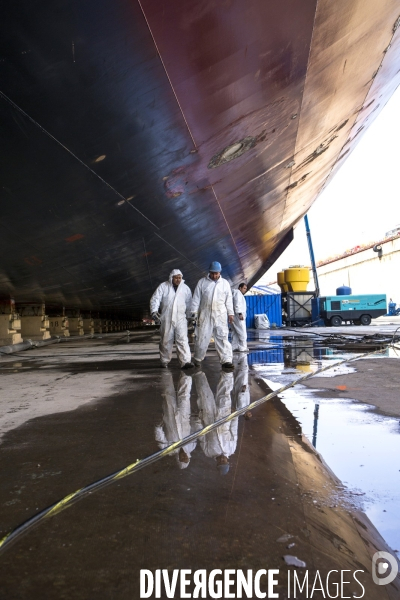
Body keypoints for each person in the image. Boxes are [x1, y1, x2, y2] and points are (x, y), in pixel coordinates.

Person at [191, 261, 234, 370]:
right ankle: (197, 358)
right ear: (209, 272)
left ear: (220, 272)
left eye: (216, 273)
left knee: (222, 337)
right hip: (205, 314)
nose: (214, 276)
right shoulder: (202, 282)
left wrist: (231, 313)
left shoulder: (225, 284)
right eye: (213, 273)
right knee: (202, 338)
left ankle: (226, 360)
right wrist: (194, 312)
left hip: (220, 314)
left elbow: (229, 300)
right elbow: (196, 298)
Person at [193, 370, 235, 474]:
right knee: (225, 394)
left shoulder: (208, 452)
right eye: (224, 462)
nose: (222, 460)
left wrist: (198, 420)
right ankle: (227, 371)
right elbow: (234, 430)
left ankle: (197, 371)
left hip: (208, 418)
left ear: (216, 463)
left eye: (220, 463)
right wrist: (235, 416)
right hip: (224, 418)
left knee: (204, 393)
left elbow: (201, 436)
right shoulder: (231, 449)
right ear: (228, 461)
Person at [150, 269, 193, 369]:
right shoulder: (163, 286)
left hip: (181, 318)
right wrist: (154, 311)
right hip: (167, 318)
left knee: (182, 340)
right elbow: (156, 298)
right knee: (166, 340)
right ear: (171, 278)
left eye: (179, 278)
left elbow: (189, 303)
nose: (178, 280)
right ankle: (164, 361)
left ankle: (185, 361)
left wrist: (190, 316)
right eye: (176, 278)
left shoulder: (185, 289)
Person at [155, 371, 199, 469]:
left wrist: (158, 427)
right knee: (184, 396)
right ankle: (186, 371)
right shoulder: (191, 447)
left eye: (182, 459)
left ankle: (165, 370)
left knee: (167, 395)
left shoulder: (169, 450)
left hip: (170, 417)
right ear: (188, 457)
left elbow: (160, 438)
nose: (183, 456)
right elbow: (195, 431)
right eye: (186, 458)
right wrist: (195, 419)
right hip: (184, 417)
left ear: (178, 458)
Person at [231, 283, 249, 352]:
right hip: (238, 316)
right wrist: (240, 313)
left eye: (246, 289)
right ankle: (243, 347)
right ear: (240, 288)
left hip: (235, 316)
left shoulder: (236, 294)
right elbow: (237, 304)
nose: (245, 290)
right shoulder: (238, 293)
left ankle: (234, 346)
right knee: (242, 332)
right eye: (244, 288)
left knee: (235, 332)